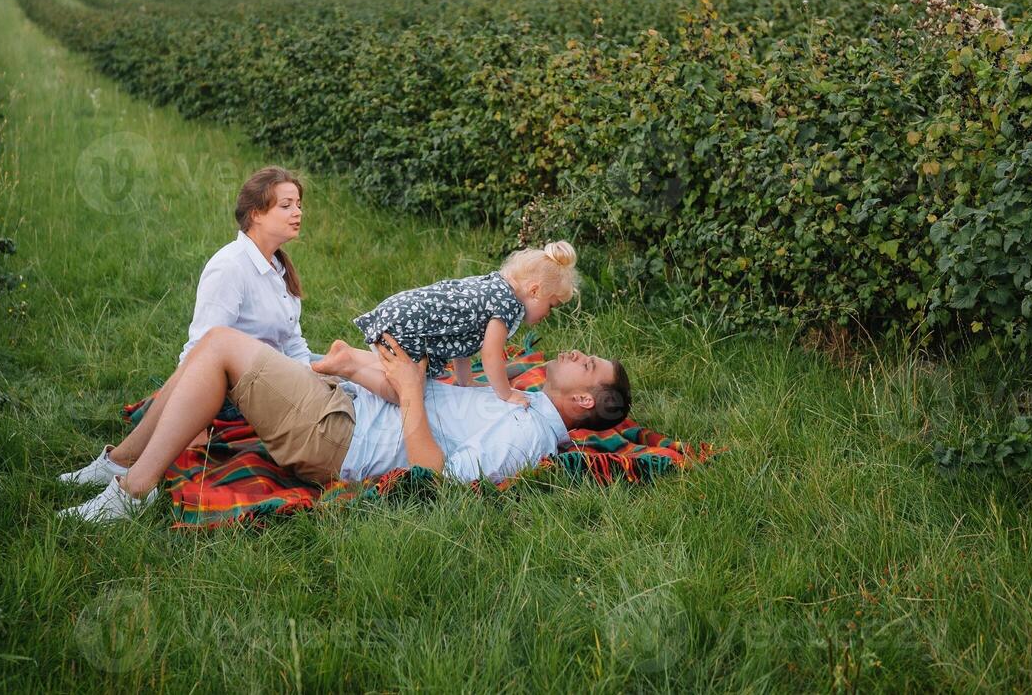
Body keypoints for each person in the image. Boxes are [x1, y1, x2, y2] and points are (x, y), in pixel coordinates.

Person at [55, 327, 631, 522]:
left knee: (221, 349)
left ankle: (131, 494)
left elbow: (444, 479)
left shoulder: (526, 435)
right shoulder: (524, 403)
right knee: (213, 344)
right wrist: (372, 365)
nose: (578, 353)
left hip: (340, 436)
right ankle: (120, 463)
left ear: (582, 397)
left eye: (589, 364)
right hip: (347, 407)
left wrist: (408, 390)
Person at [58, 166, 314, 487]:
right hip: (239, 393)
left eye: (299, 205)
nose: (297, 213)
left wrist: (310, 383)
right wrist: (194, 417)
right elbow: (203, 349)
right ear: (256, 214)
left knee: (345, 371)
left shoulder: (279, 267)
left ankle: (118, 461)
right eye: (286, 205)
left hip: (274, 378)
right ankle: (119, 462)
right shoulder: (230, 267)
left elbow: (293, 343)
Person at [313, 242, 579, 408]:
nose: (548, 313)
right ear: (535, 291)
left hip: (404, 313)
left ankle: (346, 355)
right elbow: (489, 354)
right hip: (409, 327)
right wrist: (506, 393)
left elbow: (464, 340)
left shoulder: (495, 285)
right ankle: (346, 366)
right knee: (405, 392)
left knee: (398, 370)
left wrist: (465, 381)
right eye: (552, 305)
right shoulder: (507, 306)